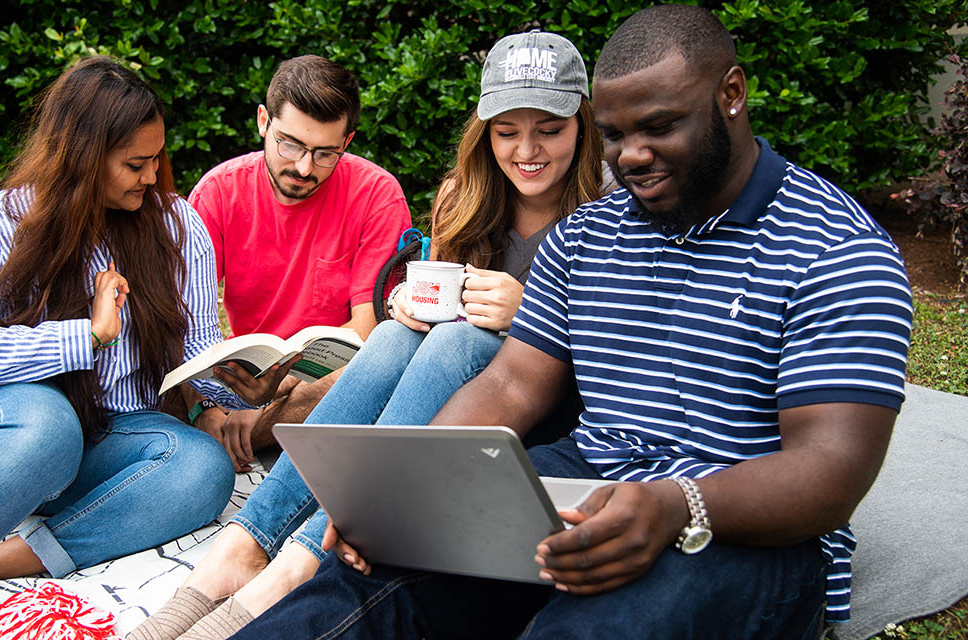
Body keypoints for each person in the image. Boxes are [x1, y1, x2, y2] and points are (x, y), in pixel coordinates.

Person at [222, 6, 916, 639]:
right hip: (584, 482)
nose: (633, 157)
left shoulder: (834, 249)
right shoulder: (587, 237)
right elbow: (513, 386)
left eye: (660, 126)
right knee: (373, 576)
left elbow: (832, 468)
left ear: (730, 95)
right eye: (616, 135)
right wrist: (406, 492)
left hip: (744, 533)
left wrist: (677, 505)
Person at [129, 30, 614, 640]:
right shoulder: (468, 196)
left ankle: (303, 560)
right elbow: (414, 309)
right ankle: (245, 542)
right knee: (394, 340)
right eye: (507, 130)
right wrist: (407, 302)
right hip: (456, 402)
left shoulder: (612, 207)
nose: (527, 149)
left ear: (582, 125)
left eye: (549, 128)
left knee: (457, 343)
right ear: (485, 131)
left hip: (543, 414)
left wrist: (534, 311)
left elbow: (626, 355)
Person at [0, 56, 295, 640]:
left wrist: (230, 382)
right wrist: (87, 336)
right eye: (134, 163)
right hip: (6, 425)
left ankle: (7, 558)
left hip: (110, 437)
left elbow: (195, 345)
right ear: (79, 156)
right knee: (51, 428)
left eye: (158, 159)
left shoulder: (177, 226)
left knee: (200, 469)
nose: (152, 177)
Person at [183, 55, 412, 474]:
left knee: (377, 369)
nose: (304, 168)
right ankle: (227, 432)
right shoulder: (217, 192)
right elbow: (182, 321)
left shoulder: (378, 195)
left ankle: (238, 436)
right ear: (262, 122)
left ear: (348, 141)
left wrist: (268, 399)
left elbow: (368, 329)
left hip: (326, 378)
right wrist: (206, 408)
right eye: (289, 144)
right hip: (243, 377)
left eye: (325, 153)